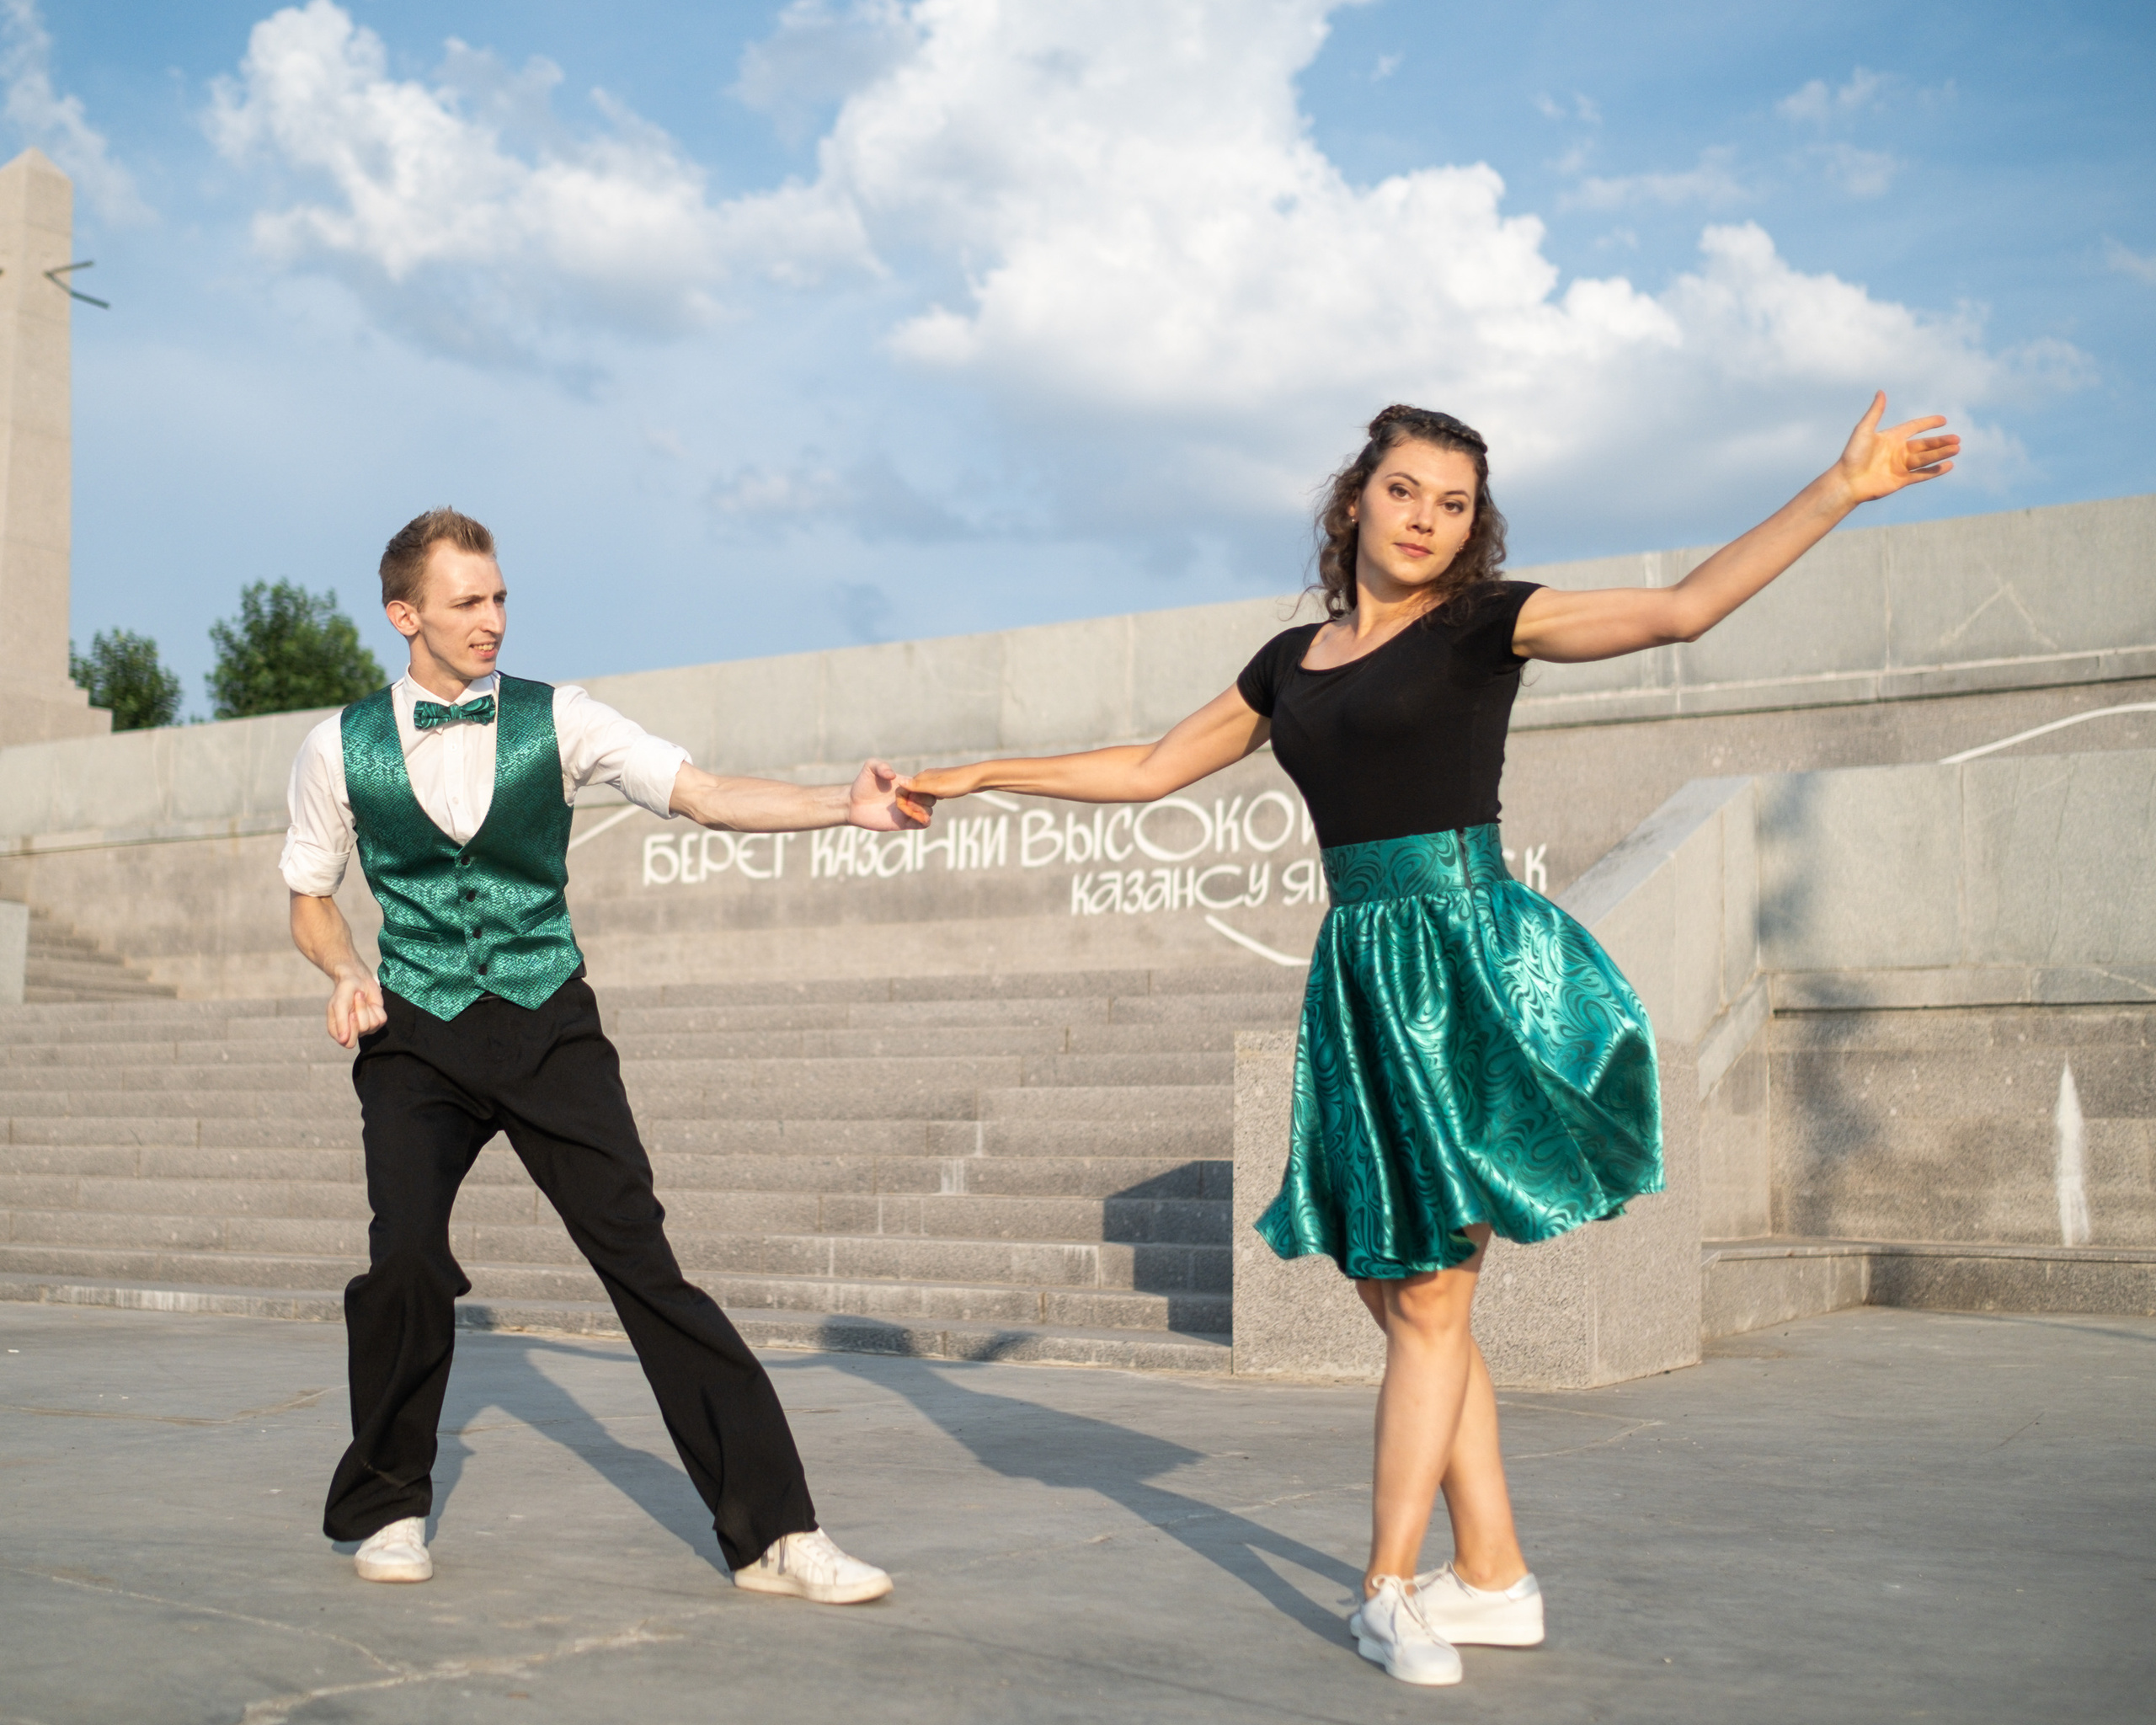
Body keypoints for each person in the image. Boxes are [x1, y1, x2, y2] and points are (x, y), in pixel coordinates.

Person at [902, 394, 1957, 1684]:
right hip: (1358, 972)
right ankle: (1497, 1573)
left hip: (1464, 962)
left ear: (1476, 527)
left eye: (1454, 504)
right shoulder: (1289, 662)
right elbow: (1143, 767)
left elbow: (1682, 609)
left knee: (1433, 1300)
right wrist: (973, 775)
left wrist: (1839, 488)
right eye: (1407, 492)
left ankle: (1390, 1584)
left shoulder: (1485, 624)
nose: (1427, 519)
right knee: (1405, 1301)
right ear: (1356, 499)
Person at [282, 507, 929, 1604]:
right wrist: (346, 970)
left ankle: (778, 1533)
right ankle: (390, 1500)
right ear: (406, 616)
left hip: (545, 1022)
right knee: (403, 1261)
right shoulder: (335, 745)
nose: (492, 620)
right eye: (466, 603)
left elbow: (708, 795)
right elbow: (309, 897)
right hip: (417, 1029)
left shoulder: (560, 718)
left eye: (499, 598)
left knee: (643, 1265)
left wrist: (843, 806)